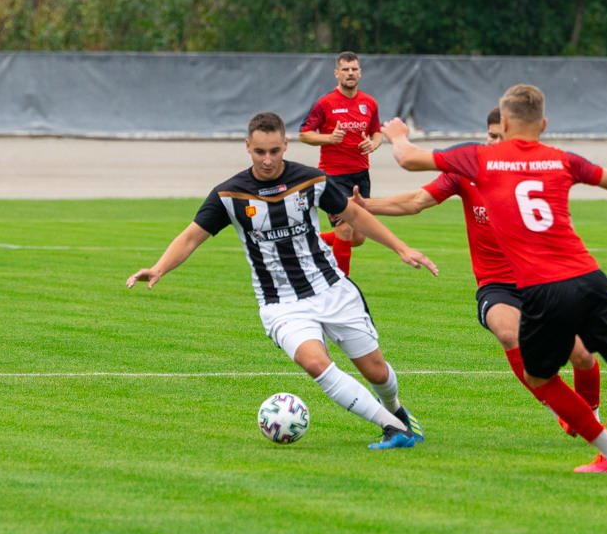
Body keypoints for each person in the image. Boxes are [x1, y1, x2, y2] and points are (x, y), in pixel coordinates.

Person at [381, 84, 607, 473]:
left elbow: (407, 159)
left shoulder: (480, 159)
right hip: (591, 277)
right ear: (543, 124)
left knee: (539, 377)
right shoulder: (560, 158)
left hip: (544, 287)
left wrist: (397, 135)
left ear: (503, 123)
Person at [127, 112, 435, 449]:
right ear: (248, 147)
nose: (268, 159)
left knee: (376, 372)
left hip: (331, 289)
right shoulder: (229, 194)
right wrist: (159, 268)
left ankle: (397, 411)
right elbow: (190, 237)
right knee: (315, 362)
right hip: (281, 303)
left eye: (275, 150)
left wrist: (401, 248)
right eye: (260, 152)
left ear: (286, 144)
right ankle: (394, 428)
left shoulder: (311, 180)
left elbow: (355, 214)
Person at [353, 107, 603, 437]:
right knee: (507, 331)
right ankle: (565, 408)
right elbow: (416, 201)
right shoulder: (468, 171)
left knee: (582, 355)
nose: (494, 142)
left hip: (540, 279)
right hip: (496, 283)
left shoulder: (532, 171)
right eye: (491, 135)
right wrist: (366, 205)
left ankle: (590, 415)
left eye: (502, 136)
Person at [299, 51, 382, 276]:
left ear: (360, 73)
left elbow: (377, 133)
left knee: (359, 237)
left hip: (361, 175)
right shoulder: (325, 103)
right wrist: (328, 138)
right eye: (345, 69)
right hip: (333, 176)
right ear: (337, 73)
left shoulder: (369, 103)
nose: (350, 73)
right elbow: (304, 134)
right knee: (344, 228)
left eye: (354, 69)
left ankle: (306, 242)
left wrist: (374, 145)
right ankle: (341, 284)